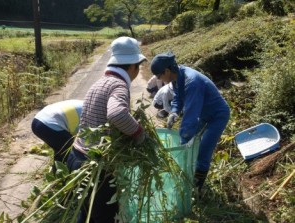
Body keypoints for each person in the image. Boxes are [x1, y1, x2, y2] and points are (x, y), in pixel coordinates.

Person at [67, 36, 147, 223]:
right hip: (96, 165)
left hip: (78, 157)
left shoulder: (100, 83)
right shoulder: (118, 85)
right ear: (132, 66)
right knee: (105, 216)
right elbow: (117, 114)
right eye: (139, 67)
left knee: (86, 213)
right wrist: (139, 133)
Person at [150, 52, 230, 192]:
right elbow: (178, 97)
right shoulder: (177, 77)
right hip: (204, 113)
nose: (159, 79)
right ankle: (189, 174)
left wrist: (185, 138)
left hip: (218, 115)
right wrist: (174, 111)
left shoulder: (191, 81)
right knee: (190, 143)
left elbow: (191, 114)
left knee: (203, 151)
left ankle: (197, 190)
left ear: (167, 71)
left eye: (158, 76)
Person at [31, 99, 83, 165]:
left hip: (37, 120)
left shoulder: (85, 105)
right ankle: (70, 172)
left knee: (61, 152)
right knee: (74, 153)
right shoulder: (91, 113)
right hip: (49, 125)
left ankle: (57, 173)